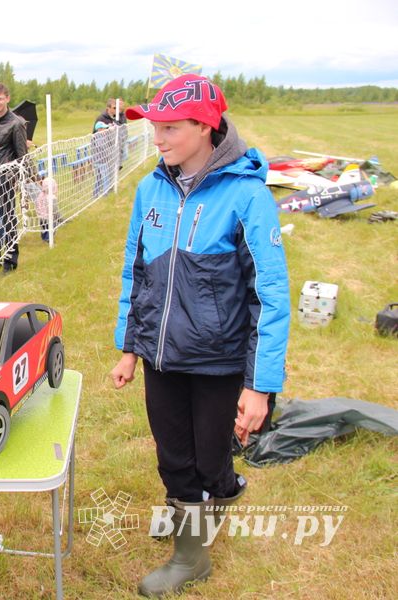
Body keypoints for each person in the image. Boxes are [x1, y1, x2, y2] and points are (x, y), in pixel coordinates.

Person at [110, 75, 290, 597]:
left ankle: (219, 493)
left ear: (205, 126)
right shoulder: (150, 188)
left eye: (170, 128)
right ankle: (192, 555)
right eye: (155, 127)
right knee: (173, 456)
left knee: (211, 460)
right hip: (161, 357)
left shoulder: (247, 196)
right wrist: (130, 348)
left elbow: (270, 296)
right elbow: (136, 271)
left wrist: (259, 387)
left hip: (218, 361)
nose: (157, 138)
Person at [0, 83, 28, 273]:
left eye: (0, 99)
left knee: (7, 219)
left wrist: (25, 178)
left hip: (6, 178)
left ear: (7, 99)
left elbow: (22, 155)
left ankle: (10, 260)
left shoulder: (17, 123)